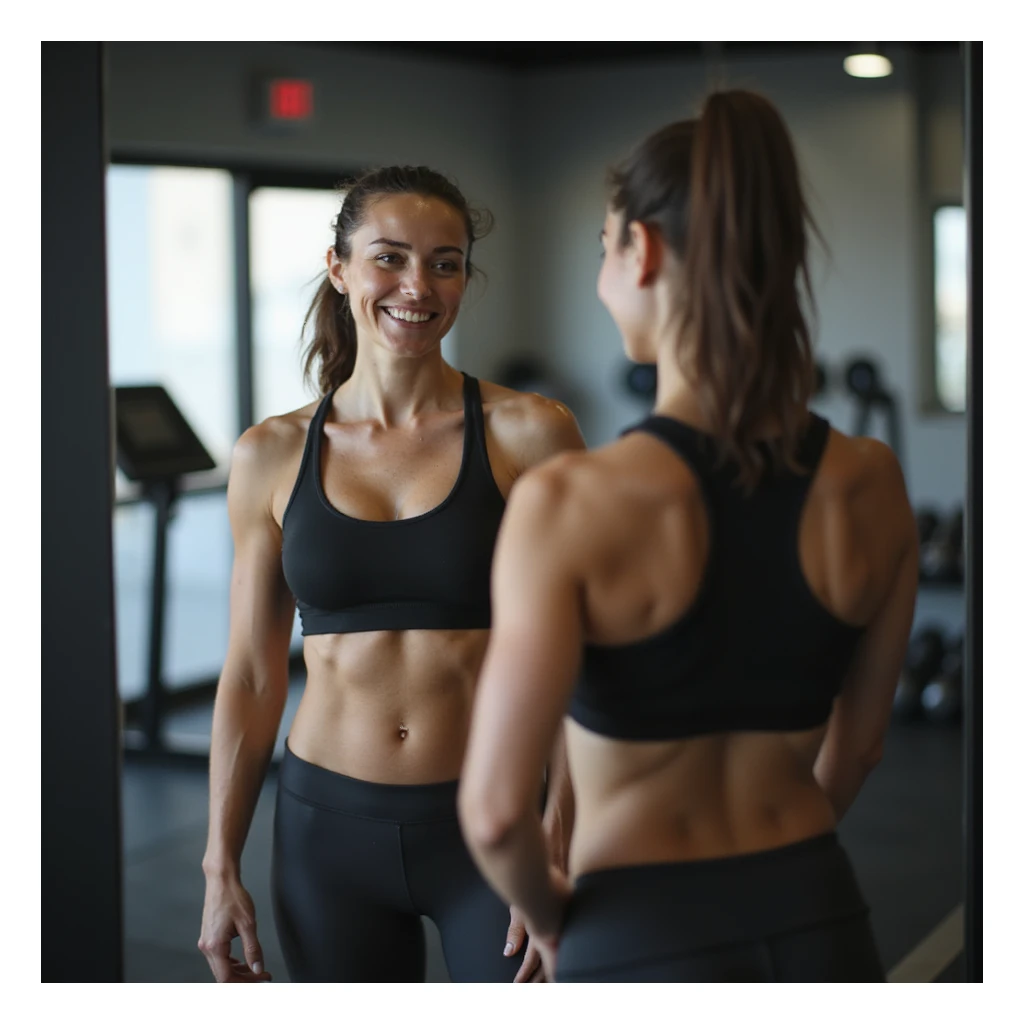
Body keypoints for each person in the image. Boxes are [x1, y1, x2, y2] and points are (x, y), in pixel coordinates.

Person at [458, 91, 918, 982]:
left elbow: (495, 813)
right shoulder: (873, 480)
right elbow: (860, 746)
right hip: (819, 911)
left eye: (604, 249)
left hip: (641, 931)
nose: (601, 280)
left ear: (644, 251)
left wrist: (555, 922)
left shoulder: (569, 500)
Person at [198, 165, 585, 983]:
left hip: (493, 821)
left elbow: (575, 648)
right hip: (326, 828)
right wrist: (218, 862)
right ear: (339, 268)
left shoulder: (531, 433)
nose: (418, 286)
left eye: (445, 263)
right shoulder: (270, 453)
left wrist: (561, 822)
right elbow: (253, 673)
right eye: (390, 258)